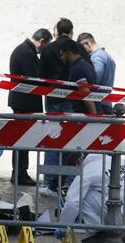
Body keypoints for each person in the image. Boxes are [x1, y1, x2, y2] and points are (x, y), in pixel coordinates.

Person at [54, 154, 125, 243]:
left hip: (120, 209)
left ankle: (101, 231)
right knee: (106, 193)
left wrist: (63, 227)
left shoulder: (88, 168)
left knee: (82, 195)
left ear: (78, 163)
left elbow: (73, 202)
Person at [39, 18, 92, 197]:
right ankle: (67, 182)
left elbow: (40, 75)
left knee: (52, 138)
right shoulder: (76, 49)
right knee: (71, 138)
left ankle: (49, 181)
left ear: (56, 31)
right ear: (71, 31)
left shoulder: (46, 49)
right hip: (73, 98)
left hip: (52, 97)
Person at [8, 28, 53, 186]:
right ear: (42, 42)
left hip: (22, 101)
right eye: (46, 46)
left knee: (23, 139)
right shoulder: (26, 52)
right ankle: (20, 173)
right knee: (23, 139)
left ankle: (20, 173)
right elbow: (34, 78)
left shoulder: (23, 50)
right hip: (24, 102)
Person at [77, 32, 116, 114]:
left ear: (87, 43)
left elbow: (94, 80)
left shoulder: (97, 57)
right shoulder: (107, 56)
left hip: (99, 103)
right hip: (106, 102)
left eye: (82, 47)